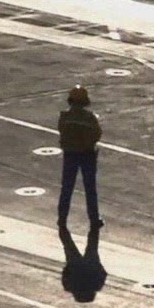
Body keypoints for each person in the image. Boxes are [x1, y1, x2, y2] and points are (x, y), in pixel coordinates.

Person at [57, 85, 103, 228]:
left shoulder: (64, 117)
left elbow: (61, 131)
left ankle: (62, 218)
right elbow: (97, 134)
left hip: (70, 154)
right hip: (86, 154)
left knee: (67, 188)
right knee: (90, 189)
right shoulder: (89, 117)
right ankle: (94, 219)